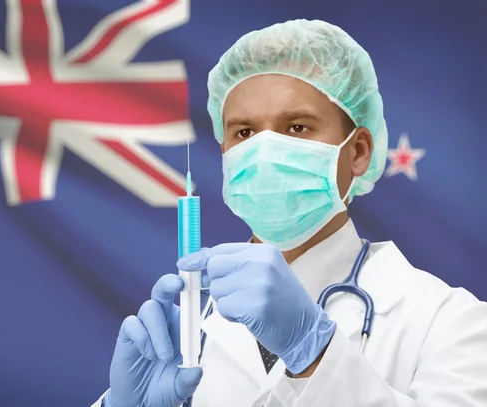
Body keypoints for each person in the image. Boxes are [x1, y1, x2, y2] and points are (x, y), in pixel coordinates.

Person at [91, 19, 487, 407]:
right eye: (244, 132)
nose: (265, 151)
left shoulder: (450, 323)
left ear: (359, 151)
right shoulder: (189, 329)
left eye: (296, 127)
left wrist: (314, 353)